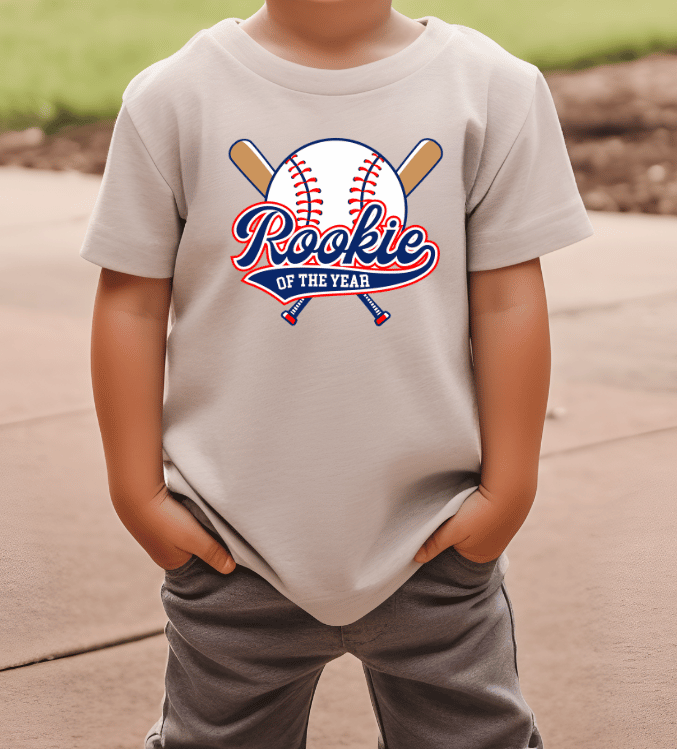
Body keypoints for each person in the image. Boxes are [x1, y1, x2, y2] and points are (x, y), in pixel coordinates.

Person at [81, 0, 593, 746]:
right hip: (230, 542)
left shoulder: (490, 89)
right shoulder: (175, 97)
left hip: (433, 537)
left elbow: (509, 301)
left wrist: (507, 492)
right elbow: (130, 304)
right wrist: (139, 496)